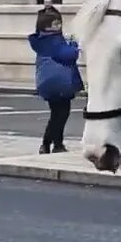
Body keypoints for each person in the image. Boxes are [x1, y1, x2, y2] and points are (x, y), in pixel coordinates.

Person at [29, 9, 83, 154]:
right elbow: (67, 55)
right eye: (55, 24)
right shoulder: (53, 40)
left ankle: (57, 144)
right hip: (59, 83)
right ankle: (46, 144)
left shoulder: (41, 40)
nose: (59, 26)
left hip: (49, 83)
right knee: (61, 115)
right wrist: (75, 46)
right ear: (46, 26)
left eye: (59, 23)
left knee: (57, 114)